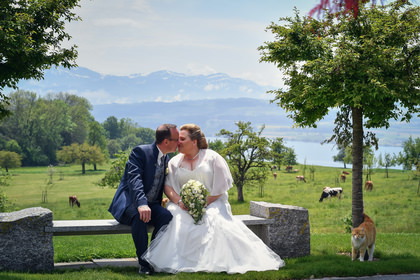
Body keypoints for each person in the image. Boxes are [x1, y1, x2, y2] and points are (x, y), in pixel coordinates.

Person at [142, 123, 285, 274]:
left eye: (182, 139)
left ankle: (214, 260)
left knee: (213, 218)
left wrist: (203, 203)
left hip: (213, 201)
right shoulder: (174, 162)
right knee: (177, 218)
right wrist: (180, 202)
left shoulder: (212, 157)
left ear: (194, 141)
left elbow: (221, 186)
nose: (178, 142)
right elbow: (168, 187)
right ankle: (178, 260)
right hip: (181, 204)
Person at [108, 124, 179, 275]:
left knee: (166, 216)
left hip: (151, 204)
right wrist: (141, 204)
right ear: (166, 141)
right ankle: (143, 263)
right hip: (130, 202)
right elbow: (135, 180)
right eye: (176, 139)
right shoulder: (140, 152)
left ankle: (153, 256)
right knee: (140, 218)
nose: (178, 142)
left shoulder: (166, 157)